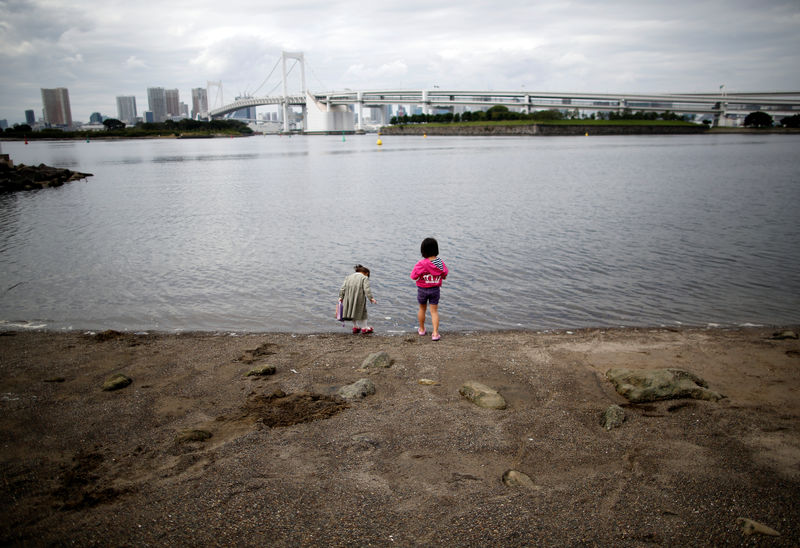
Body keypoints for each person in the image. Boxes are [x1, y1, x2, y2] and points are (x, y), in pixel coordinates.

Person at [410, 237, 448, 341]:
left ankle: (422, 329)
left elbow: (413, 276)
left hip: (422, 289)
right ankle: (435, 333)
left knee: (422, 309)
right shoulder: (440, 262)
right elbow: (444, 274)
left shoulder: (421, 264)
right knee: (434, 311)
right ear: (436, 249)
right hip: (435, 289)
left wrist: (421, 276)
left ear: (423, 250)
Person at [338, 264, 377, 334]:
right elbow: (366, 289)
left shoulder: (348, 277)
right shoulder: (364, 278)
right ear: (366, 273)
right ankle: (365, 328)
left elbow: (343, 288)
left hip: (348, 297)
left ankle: (355, 327)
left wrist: (341, 297)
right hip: (359, 297)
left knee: (352, 310)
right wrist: (371, 298)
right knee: (363, 312)